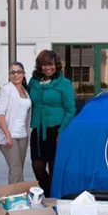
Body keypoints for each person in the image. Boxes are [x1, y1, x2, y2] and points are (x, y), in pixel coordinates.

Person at [29, 50, 76, 197]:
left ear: (56, 65)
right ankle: (49, 193)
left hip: (56, 130)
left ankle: (54, 198)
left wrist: (62, 131)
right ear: (39, 66)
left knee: (55, 168)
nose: (47, 68)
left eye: (50, 64)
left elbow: (71, 109)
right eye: (43, 65)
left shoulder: (64, 84)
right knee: (37, 167)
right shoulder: (34, 82)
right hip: (38, 129)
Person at [0, 62, 31, 184]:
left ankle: (19, 198)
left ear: (24, 74)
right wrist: (8, 136)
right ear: (9, 75)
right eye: (12, 72)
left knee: (19, 169)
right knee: (15, 169)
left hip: (23, 136)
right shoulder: (7, 90)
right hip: (9, 137)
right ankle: (14, 199)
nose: (16, 75)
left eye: (19, 72)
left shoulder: (25, 91)